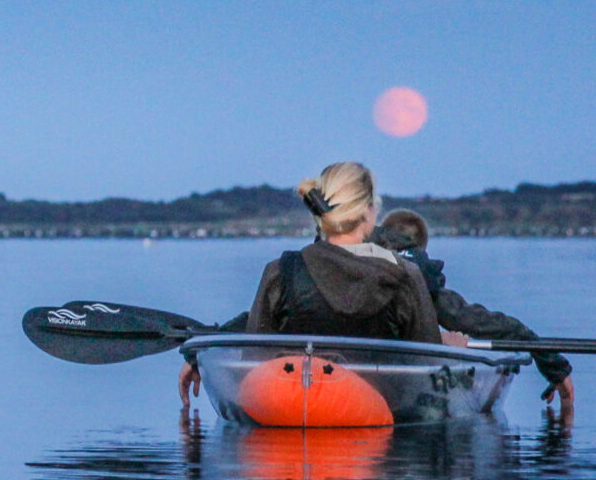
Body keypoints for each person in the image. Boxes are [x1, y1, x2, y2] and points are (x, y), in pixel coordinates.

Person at [376, 208, 576, 418]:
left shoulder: (356, 280)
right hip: (403, 394)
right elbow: (501, 328)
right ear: (424, 250)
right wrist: (555, 368)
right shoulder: (433, 297)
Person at [228, 161, 443, 342]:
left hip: (299, 392)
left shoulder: (280, 273)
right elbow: (427, 368)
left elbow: (254, 360)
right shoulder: (405, 276)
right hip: (383, 393)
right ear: (368, 212)